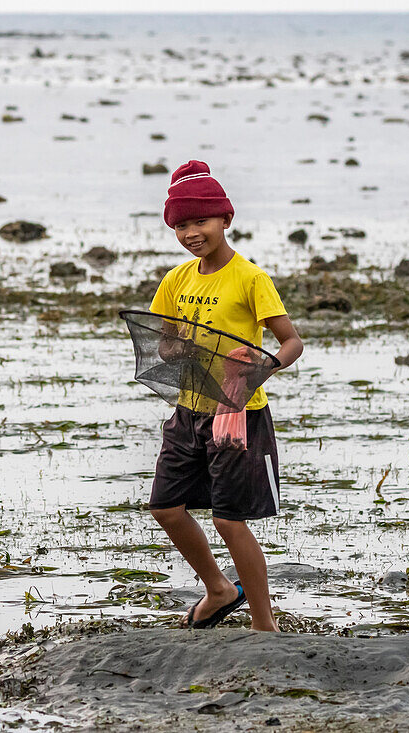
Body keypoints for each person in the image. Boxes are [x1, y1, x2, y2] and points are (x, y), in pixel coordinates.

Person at [147, 160, 303, 632]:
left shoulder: (249, 278)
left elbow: (291, 342)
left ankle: (263, 624)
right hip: (189, 410)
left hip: (238, 414)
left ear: (225, 220)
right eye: (182, 225)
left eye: (201, 221)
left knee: (230, 521)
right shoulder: (176, 280)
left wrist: (257, 371)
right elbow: (165, 340)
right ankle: (218, 589)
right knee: (166, 507)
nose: (192, 233)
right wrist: (176, 345)